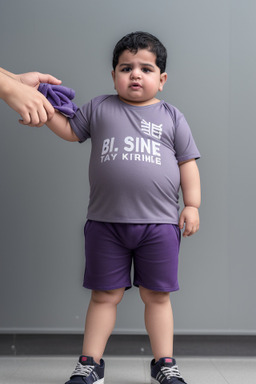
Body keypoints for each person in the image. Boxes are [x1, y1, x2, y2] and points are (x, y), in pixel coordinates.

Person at [0, 32, 201, 384]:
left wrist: (193, 205)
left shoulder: (172, 116)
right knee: (103, 296)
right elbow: (69, 130)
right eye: (126, 68)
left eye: (145, 68)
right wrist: (44, 109)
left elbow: (187, 163)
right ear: (113, 76)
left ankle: (165, 364)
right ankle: (90, 364)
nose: (135, 75)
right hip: (106, 224)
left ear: (162, 79)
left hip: (160, 225)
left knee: (157, 296)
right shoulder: (99, 107)